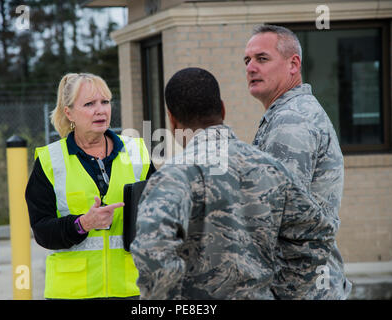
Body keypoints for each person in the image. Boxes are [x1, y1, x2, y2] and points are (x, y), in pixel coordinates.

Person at [130, 67, 337, 300]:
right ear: (223, 109)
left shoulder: (171, 178)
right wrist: (284, 292)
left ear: (172, 120)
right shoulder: (271, 168)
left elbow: (152, 252)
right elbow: (316, 234)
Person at [25, 72, 155, 299]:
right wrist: (82, 224)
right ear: (69, 112)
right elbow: (42, 231)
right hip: (71, 293)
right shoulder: (50, 161)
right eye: (89, 104)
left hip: (132, 289)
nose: (101, 110)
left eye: (105, 102)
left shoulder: (137, 152)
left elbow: (160, 214)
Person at [244, 24, 351, 299]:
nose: (251, 67)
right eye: (247, 60)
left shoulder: (292, 120)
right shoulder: (286, 113)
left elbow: (277, 216)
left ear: (293, 64)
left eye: (262, 58)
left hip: (300, 288)